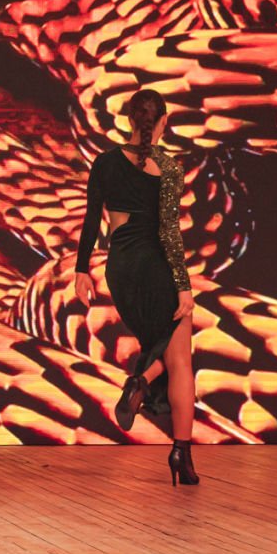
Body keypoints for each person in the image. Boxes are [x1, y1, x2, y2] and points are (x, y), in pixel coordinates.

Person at [73, 89, 200, 485]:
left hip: (121, 269)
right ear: (163, 121)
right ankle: (180, 453)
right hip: (155, 267)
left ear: (129, 120)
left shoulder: (105, 162)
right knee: (181, 361)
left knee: (164, 347)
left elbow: (91, 219)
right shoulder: (168, 168)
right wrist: (183, 286)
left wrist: (81, 270)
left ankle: (141, 382)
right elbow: (169, 233)